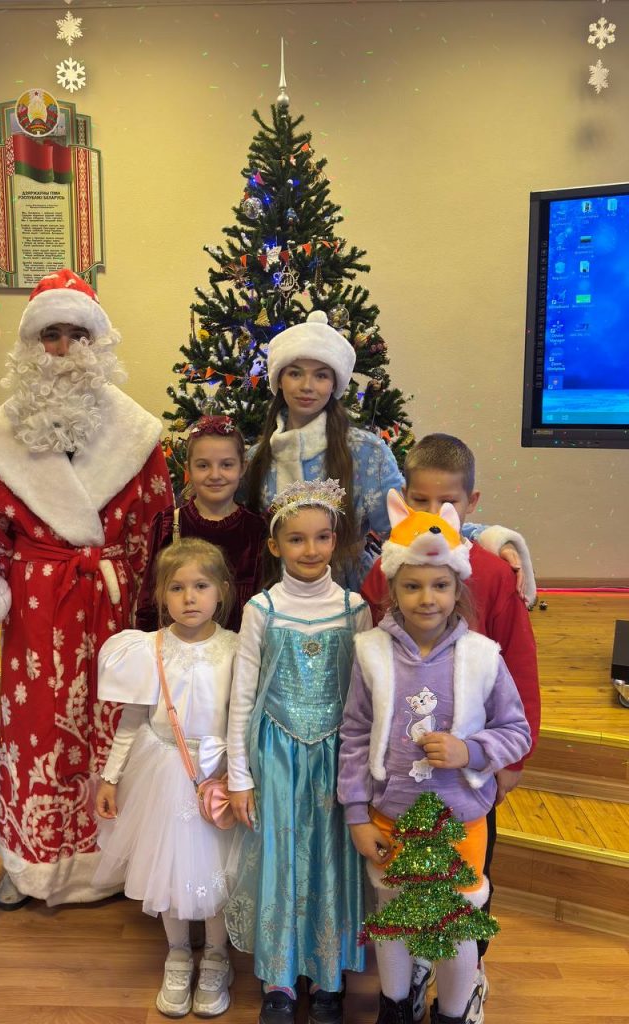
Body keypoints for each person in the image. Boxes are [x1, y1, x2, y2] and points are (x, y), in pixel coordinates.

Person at [0, 268, 172, 908]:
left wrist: (159, 615)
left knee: (117, 727)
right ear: (31, 346)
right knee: (36, 730)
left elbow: (159, 532)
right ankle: (33, 866)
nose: (65, 349)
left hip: (116, 610)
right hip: (37, 612)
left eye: (77, 335)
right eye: (51, 335)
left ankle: (117, 865)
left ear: (97, 344)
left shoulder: (140, 435)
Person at [360, 433, 540, 1021]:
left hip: (468, 779)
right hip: (398, 789)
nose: (432, 512)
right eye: (419, 500)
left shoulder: (491, 574)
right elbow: (367, 688)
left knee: (465, 889)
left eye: (447, 502)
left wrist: (506, 760)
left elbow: (518, 667)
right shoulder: (387, 568)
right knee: (402, 893)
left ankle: (463, 988)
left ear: (470, 503)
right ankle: (409, 977)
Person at [244, 311, 533, 597]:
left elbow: (412, 524)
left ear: (334, 384)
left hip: (352, 597)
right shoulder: (256, 458)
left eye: (321, 375)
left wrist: (490, 538)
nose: (307, 386)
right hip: (274, 599)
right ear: (279, 379)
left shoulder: (365, 452)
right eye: (295, 373)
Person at [226, 479, 373, 1024]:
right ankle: (281, 980)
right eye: (296, 539)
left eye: (322, 537)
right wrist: (239, 776)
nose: (310, 549)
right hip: (277, 754)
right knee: (282, 859)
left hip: (337, 756)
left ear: (336, 540)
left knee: (332, 858)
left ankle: (329, 977)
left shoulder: (354, 608)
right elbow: (243, 695)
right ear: (275, 545)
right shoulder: (261, 609)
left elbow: (364, 694)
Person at [94, 538, 238, 1018]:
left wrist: (241, 774)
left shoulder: (237, 649)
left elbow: (243, 717)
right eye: (176, 588)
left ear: (222, 590)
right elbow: (133, 719)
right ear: (161, 594)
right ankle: (178, 953)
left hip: (217, 774)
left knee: (218, 871)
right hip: (162, 771)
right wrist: (111, 777)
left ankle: (216, 956)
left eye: (201, 586)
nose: (189, 597)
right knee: (170, 866)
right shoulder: (148, 648)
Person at [136, 415, 267, 632]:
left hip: (238, 646)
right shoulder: (169, 523)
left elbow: (265, 603)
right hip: (177, 647)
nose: (215, 475)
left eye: (226, 465)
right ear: (188, 468)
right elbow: (149, 602)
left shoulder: (256, 528)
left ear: (242, 467)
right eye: (203, 465)